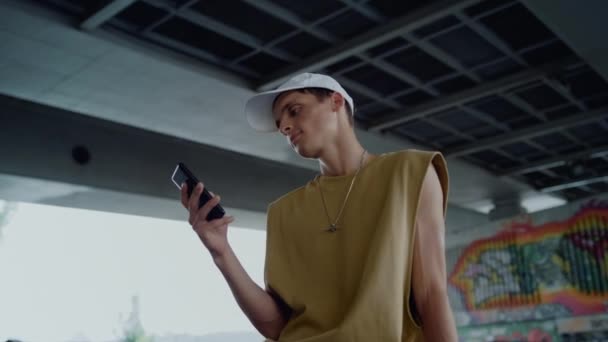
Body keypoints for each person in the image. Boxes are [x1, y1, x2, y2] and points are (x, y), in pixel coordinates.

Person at [181, 73, 457, 341]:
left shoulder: (410, 172)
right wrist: (221, 252)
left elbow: (431, 293)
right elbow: (277, 326)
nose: (284, 127)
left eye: (294, 110)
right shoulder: (283, 212)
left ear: (336, 102)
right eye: (280, 123)